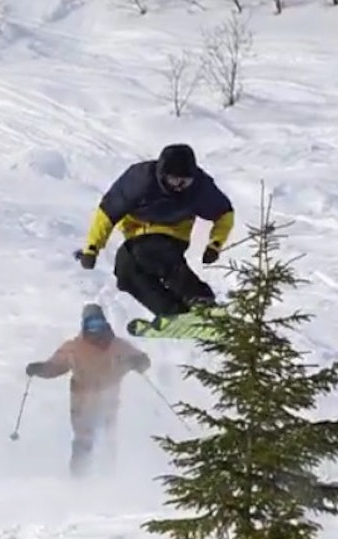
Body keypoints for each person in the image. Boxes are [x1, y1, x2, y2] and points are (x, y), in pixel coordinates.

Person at [74, 144, 236, 325]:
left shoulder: (199, 187)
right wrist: (92, 248)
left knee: (151, 250)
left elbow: (225, 214)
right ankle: (172, 312)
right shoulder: (140, 180)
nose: (180, 187)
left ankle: (201, 299)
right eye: (175, 181)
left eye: (186, 181)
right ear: (162, 174)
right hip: (135, 232)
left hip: (174, 232)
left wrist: (215, 244)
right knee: (125, 270)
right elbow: (107, 212)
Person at [25, 304, 151, 477]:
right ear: (84, 326)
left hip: (109, 400)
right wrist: (40, 369)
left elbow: (141, 361)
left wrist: (139, 362)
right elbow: (55, 366)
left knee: (108, 440)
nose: (95, 330)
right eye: (91, 325)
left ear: (105, 324)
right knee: (84, 440)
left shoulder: (118, 346)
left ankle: (108, 480)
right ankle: (79, 482)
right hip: (82, 402)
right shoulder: (74, 347)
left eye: (99, 324)